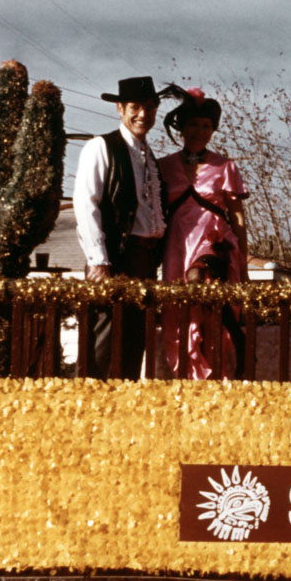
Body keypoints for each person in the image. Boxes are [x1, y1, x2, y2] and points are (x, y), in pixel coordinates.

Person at [73, 76, 166, 379]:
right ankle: (89, 403)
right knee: (103, 341)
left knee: (133, 343)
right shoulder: (101, 146)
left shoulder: (148, 155)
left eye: (150, 108)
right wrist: (99, 261)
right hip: (114, 259)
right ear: (120, 108)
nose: (143, 114)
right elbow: (86, 204)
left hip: (144, 261)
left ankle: (123, 405)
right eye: (135, 107)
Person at [155, 85, 249, 380]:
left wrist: (243, 263)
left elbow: (238, 217)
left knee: (208, 298)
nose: (200, 132)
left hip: (215, 241)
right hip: (177, 245)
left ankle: (219, 375)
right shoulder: (163, 166)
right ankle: (189, 377)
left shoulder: (225, 166)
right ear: (182, 128)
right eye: (194, 125)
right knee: (178, 310)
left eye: (207, 126)